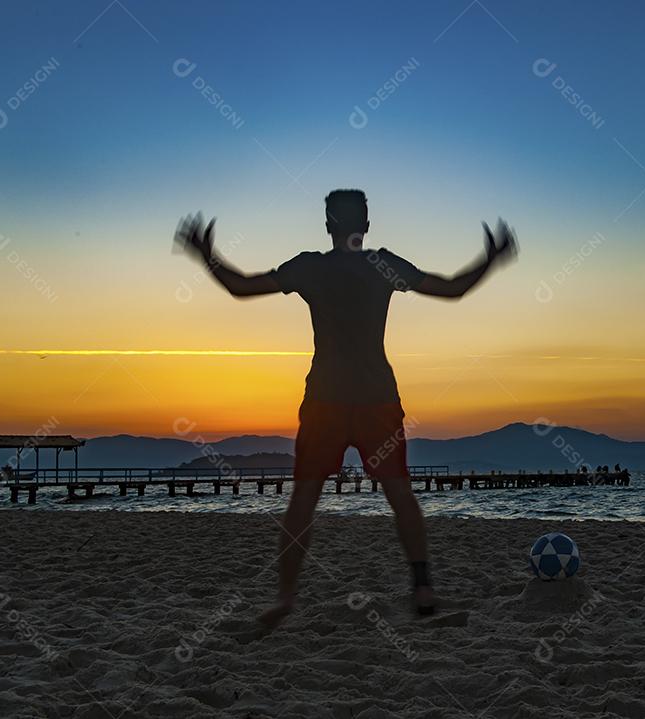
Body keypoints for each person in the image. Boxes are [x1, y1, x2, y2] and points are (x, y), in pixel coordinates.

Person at [174, 190, 516, 628]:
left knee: (304, 498)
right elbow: (452, 289)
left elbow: (242, 287)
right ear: (367, 226)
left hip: (326, 399)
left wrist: (206, 255)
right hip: (375, 398)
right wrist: (491, 259)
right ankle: (423, 587)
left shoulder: (311, 267)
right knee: (399, 493)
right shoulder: (382, 265)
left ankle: (284, 599)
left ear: (329, 225)